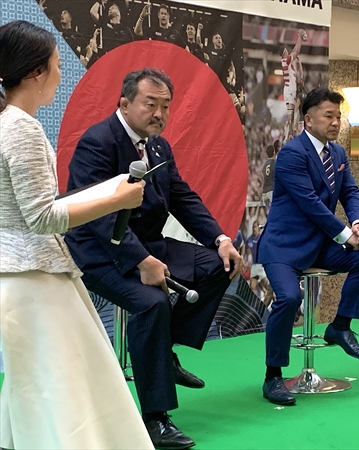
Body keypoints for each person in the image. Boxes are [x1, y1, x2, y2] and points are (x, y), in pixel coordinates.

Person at [64, 67, 242, 449]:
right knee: (152, 304)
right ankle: (156, 420)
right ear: (125, 103)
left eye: (165, 106)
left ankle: (164, 352)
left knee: (220, 265)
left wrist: (221, 238)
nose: (159, 114)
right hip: (98, 252)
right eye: (151, 104)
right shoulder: (98, 142)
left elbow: (182, 197)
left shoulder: (159, 146)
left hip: (148, 244)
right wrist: (141, 260)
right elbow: (97, 214)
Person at [0, 20, 152, 449]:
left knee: (36, 392)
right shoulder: (20, 127)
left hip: (22, 278)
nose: (60, 73)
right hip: (34, 280)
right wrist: (117, 199)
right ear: (36, 72)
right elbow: (42, 217)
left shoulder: (8, 123)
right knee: (66, 390)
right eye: (55, 63)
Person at [256, 87, 359, 405]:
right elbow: (310, 203)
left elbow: (350, 192)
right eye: (329, 116)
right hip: (284, 246)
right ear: (308, 120)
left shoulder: (337, 153)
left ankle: (340, 327)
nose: (336, 122)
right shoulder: (291, 154)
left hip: (319, 244)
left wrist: (358, 221)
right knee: (289, 298)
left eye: (339, 116)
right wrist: (346, 235)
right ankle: (273, 376)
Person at [281, 28, 307, 144]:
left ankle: (289, 135)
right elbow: (296, 52)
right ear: (284, 54)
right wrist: (299, 38)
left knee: (291, 116)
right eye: (287, 51)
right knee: (290, 115)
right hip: (289, 91)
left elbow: (294, 51)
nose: (288, 52)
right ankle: (286, 137)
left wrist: (299, 40)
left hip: (290, 90)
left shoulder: (288, 64)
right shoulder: (285, 61)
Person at [260, 144, 276, 210]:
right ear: (274, 152)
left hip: (264, 191)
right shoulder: (274, 163)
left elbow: (262, 177)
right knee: (275, 209)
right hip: (271, 190)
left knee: (267, 211)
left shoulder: (264, 165)